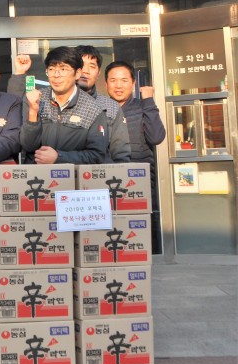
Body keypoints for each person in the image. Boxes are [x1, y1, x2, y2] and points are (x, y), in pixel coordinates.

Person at [106, 60, 167, 249]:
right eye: (113, 80)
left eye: (124, 80)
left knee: (139, 237)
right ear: (106, 83)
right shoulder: (98, 108)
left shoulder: (143, 107)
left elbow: (156, 137)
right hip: (108, 180)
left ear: (133, 83)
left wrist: (148, 101)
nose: (118, 85)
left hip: (139, 182)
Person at [20, 46, 108, 165]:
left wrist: (59, 157)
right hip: (38, 178)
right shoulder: (34, 99)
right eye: (51, 69)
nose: (56, 75)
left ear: (77, 73)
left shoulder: (93, 109)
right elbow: (28, 146)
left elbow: (97, 156)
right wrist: (32, 112)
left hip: (73, 180)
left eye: (63, 69)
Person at [77, 45, 131, 162]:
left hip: (101, 176)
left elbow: (120, 151)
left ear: (98, 73)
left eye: (92, 66)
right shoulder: (58, 102)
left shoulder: (111, 107)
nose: (85, 71)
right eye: (81, 64)